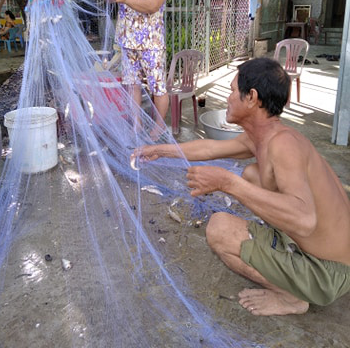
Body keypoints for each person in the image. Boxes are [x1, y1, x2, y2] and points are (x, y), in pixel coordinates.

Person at [133, 57, 350, 316]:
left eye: (233, 91)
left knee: (220, 229)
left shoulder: (283, 145)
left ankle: (293, 298)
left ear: (252, 98)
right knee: (253, 174)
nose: (228, 98)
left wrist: (226, 182)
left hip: (327, 273)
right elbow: (210, 148)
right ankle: (287, 260)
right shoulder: (265, 137)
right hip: (329, 258)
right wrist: (161, 149)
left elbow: (305, 220)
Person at [101, 0, 171, 135]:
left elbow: (152, 5)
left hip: (151, 43)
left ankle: (158, 129)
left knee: (157, 86)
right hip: (127, 39)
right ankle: (137, 125)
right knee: (132, 85)